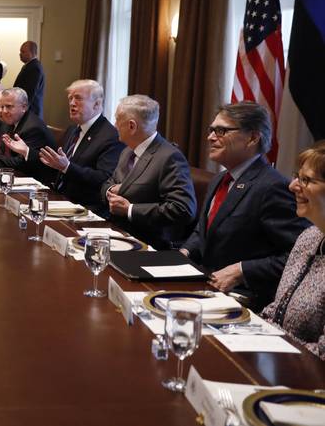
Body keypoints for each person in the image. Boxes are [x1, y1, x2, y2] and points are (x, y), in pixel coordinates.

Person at [180, 103, 308, 307]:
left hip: (245, 299)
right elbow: (204, 229)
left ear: (252, 138)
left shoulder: (272, 187)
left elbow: (298, 256)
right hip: (205, 285)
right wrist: (184, 253)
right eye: (211, 130)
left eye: (221, 131)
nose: (210, 137)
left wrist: (241, 270)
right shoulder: (220, 179)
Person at [102, 95, 196, 250]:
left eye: (117, 119)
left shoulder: (169, 157)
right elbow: (109, 183)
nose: (115, 125)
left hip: (148, 243)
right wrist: (110, 190)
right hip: (118, 233)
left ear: (132, 126)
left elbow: (183, 209)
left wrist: (130, 209)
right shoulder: (127, 151)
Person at [261, 141, 325, 359]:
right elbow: (275, 310)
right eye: (297, 176)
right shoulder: (309, 237)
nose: (292, 186)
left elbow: (322, 354)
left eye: (306, 180)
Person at [40, 80, 124, 213]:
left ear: (96, 104)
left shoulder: (111, 136)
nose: (72, 103)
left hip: (86, 208)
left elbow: (103, 179)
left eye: (78, 98)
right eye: (70, 98)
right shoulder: (73, 129)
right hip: (60, 199)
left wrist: (67, 167)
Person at [0, 87, 55, 181]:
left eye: (9, 106)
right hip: (13, 176)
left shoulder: (33, 128)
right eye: (2, 107)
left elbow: (21, 163)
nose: (4, 111)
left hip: (35, 181)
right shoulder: (10, 121)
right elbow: (1, 150)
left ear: (24, 107)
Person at [13, 40, 45, 117]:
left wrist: (21, 110)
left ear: (31, 52)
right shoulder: (29, 65)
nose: (20, 54)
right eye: (20, 52)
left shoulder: (34, 68)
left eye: (23, 52)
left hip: (31, 112)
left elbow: (29, 93)